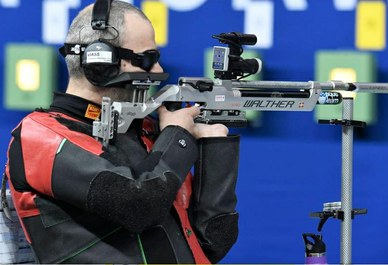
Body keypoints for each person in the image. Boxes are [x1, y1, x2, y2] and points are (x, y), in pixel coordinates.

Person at [5, 1, 240, 264]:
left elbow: (214, 241)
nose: (159, 71)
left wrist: (215, 147)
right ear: (101, 62)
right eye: (147, 59)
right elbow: (139, 205)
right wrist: (178, 136)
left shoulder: (149, 132)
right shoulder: (39, 137)